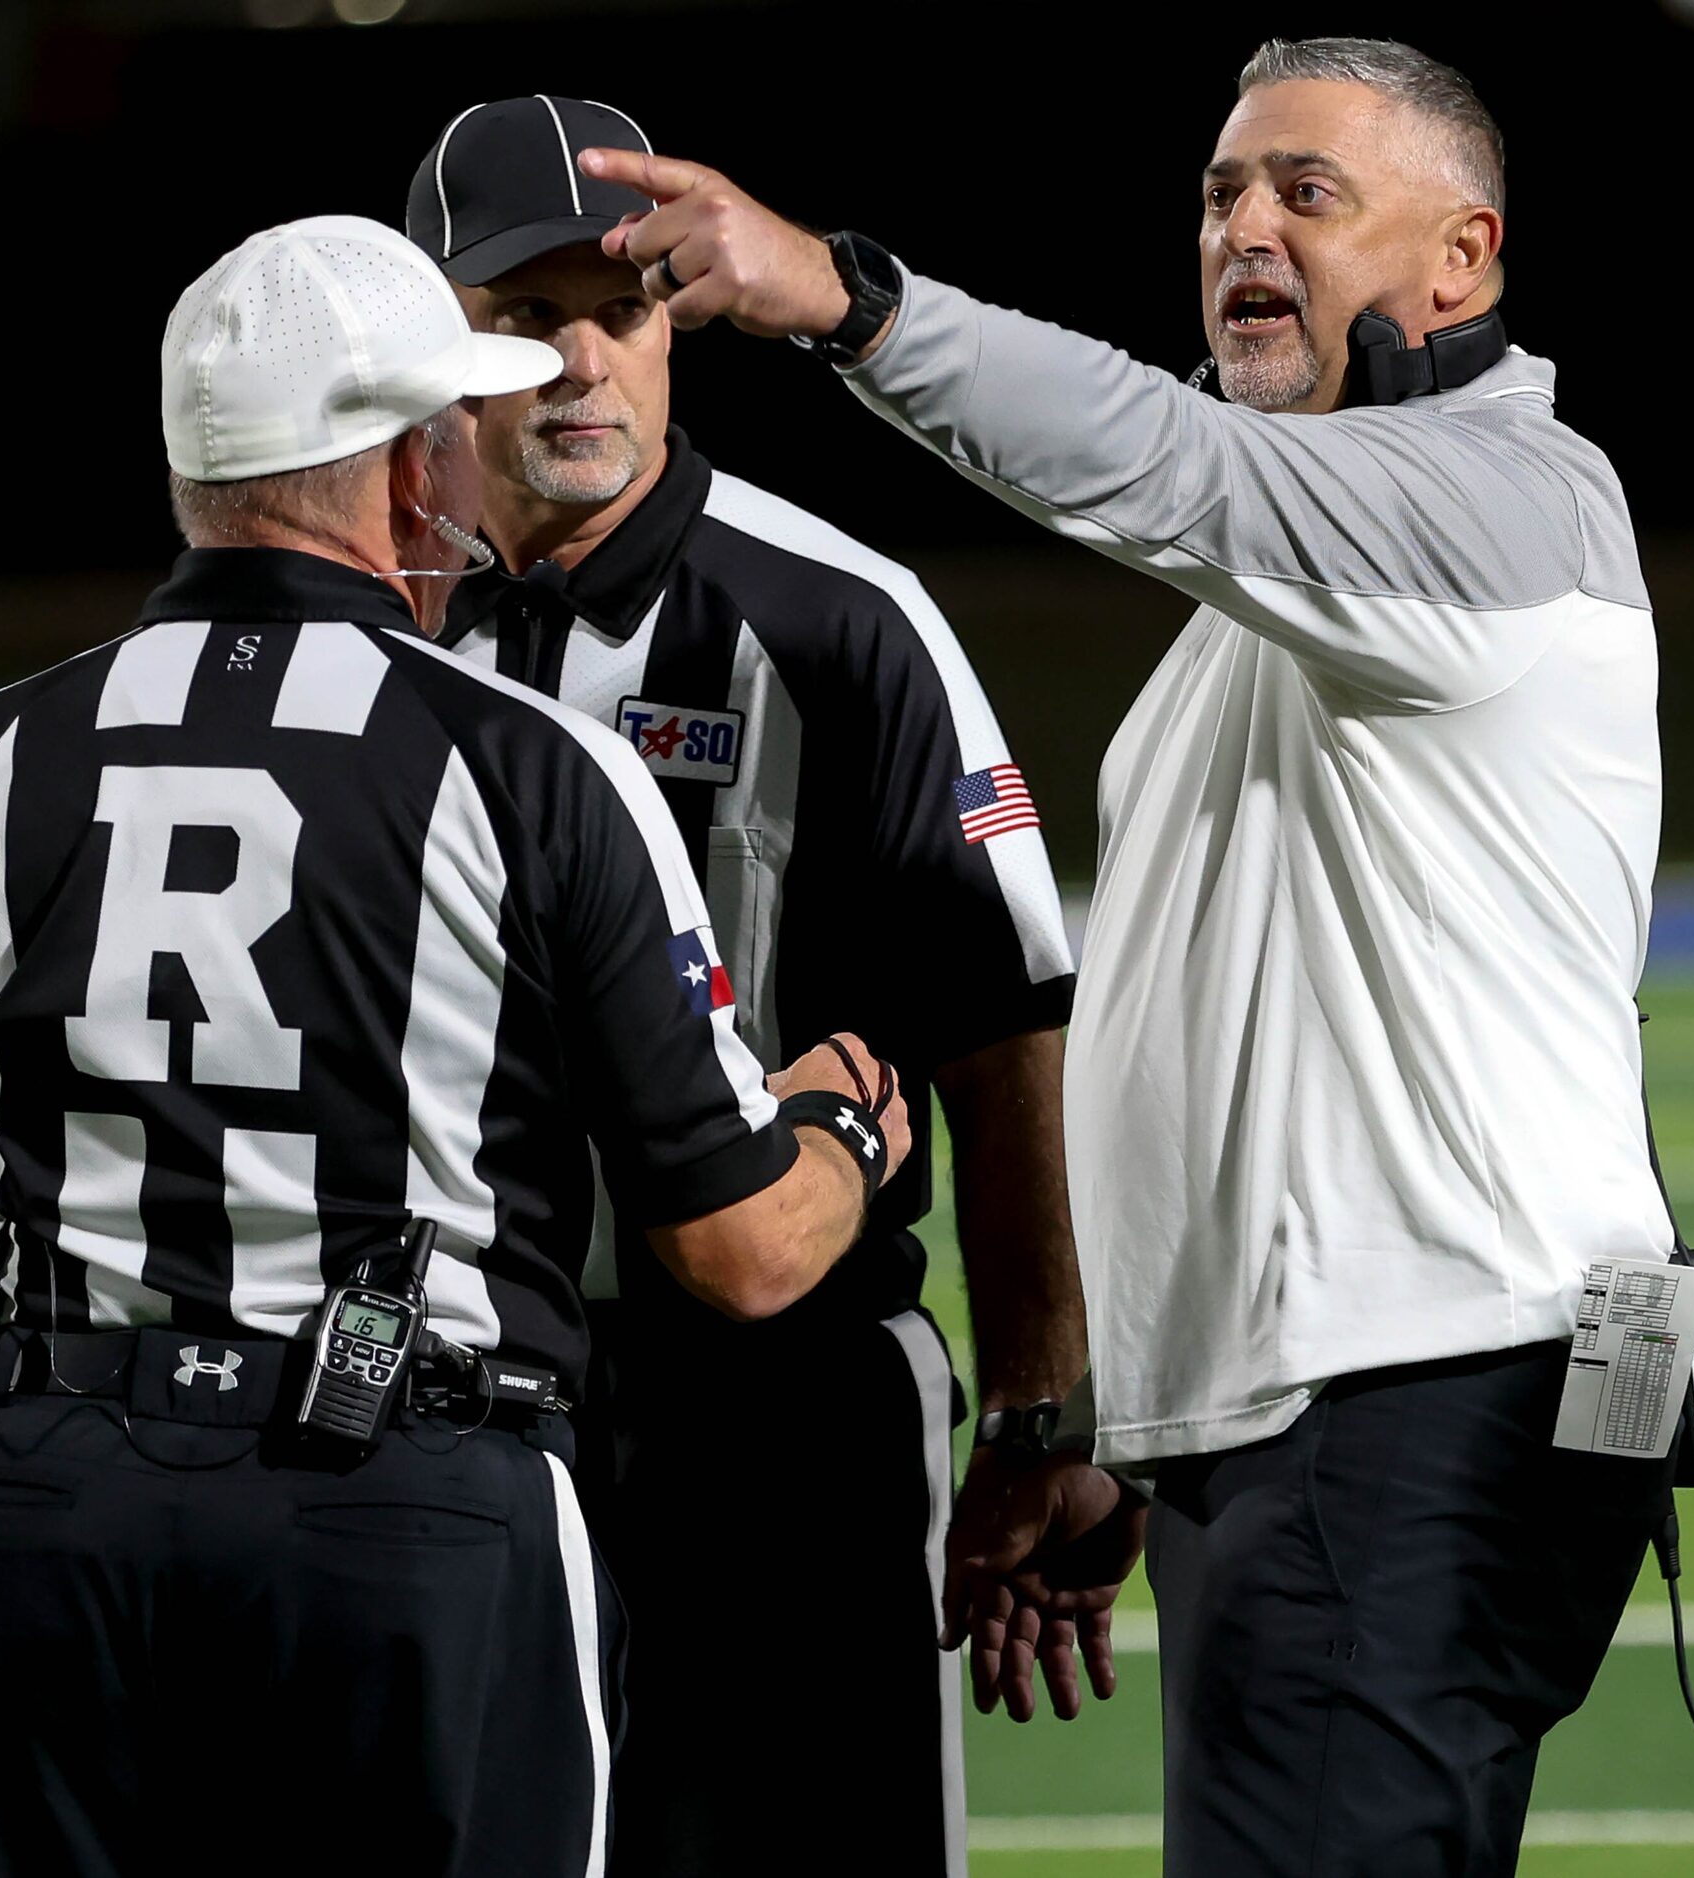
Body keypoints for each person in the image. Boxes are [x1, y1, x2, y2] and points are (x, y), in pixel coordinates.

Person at [578, 34, 1682, 1876]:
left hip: (1416, 1405)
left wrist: (842, 298)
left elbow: (1162, 463)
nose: (1244, 226)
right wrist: (1117, 1431)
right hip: (1327, 1416)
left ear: (1461, 263)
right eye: (1220, 196)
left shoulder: (1501, 500)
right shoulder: (1288, 595)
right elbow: (1219, 1036)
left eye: (1307, 194)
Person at [0, 213, 907, 1878]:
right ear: (407, 470)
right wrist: (850, 1131)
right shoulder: (526, 766)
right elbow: (743, 1252)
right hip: (398, 1508)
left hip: (22, 1511)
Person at [401, 94, 1086, 1878]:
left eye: (618, 309)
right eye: (517, 314)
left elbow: (1005, 1020)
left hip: (788, 1413)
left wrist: (1038, 1410)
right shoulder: (376, 625)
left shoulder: (842, 617)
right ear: (427, 341)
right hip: (465, 1401)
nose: (576, 363)